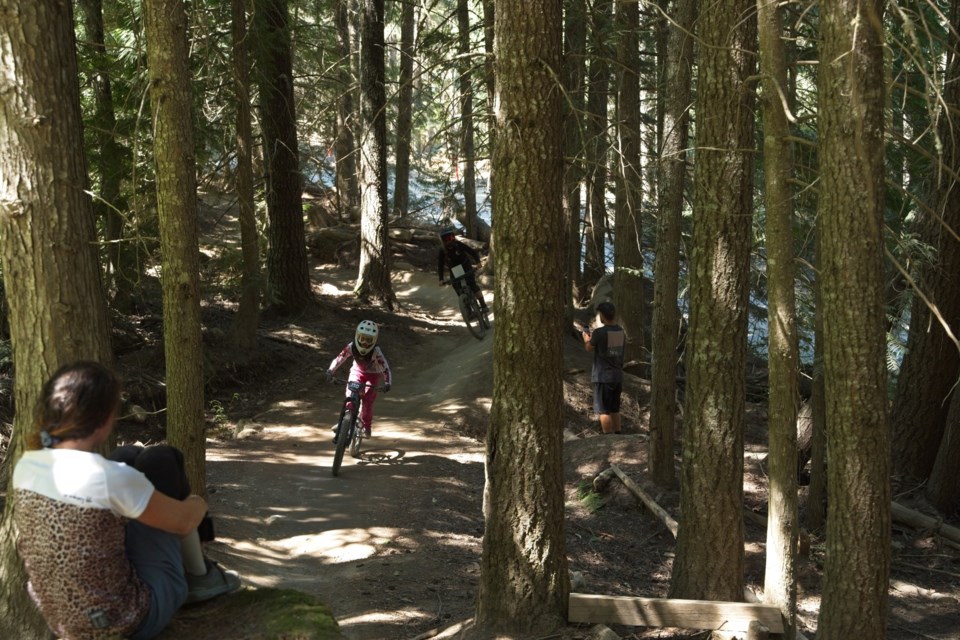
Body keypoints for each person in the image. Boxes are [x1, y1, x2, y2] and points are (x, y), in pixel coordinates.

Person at [12, 361, 241, 640]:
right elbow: (183, 522)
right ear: (105, 416)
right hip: (127, 623)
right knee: (162, 459)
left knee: (127, 456)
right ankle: (198, 574)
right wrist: (197, 502)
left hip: (66, 621)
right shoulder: (105, 476)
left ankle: (197, 568)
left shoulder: (26, 465)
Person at [326, 320, 393, 438]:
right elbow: (340, 357)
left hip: (373, 375)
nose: (364, 343)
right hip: (357, 372)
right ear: (357, 336)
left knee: (367, 402)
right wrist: (330, 370)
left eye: (369, 340)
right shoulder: (351, 346)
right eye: (362, 338)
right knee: (351, 396)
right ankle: (344, 422)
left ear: (374, 340)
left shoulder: (376, 351)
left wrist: (387, 382)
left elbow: (385, 367)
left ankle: (367, 426)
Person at [581, 301, 625, 434]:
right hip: (616, 376)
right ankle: (618, 434)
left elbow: (588, 348)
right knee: (614, 408)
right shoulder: (619, 331)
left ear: (602, 316)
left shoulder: (600, 333)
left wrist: (586, 337)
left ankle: (608, 439)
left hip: (603, 377)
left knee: (603, 410)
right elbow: (613, 352)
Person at [437, 226, 488, 314]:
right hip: (455, 270)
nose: (449, 240)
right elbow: (440, 265)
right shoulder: (442, 250)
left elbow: (472, 252)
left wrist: (478, 262)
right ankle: (467, 309)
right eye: (446, 238)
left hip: (466, 266)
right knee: (457, 288)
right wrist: (441, 279)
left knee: (473, 285)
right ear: (443, 240)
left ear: (453, 236)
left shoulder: (459, 244)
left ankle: (483, 305)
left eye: (450, 237)